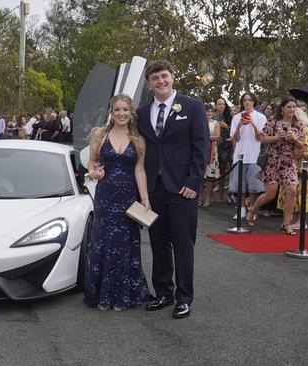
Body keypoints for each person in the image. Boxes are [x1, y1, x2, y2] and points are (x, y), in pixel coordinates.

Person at [136, 60, 209, 319]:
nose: (160, 81)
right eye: (155, 78)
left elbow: (201, 148)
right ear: (149, 83)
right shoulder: (142, 113)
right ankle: (164, 292)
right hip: (155, 190)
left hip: (182, 190)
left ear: (172, 77)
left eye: (164, 76)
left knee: (183, 245)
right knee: (158, 244)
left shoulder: (193, 106)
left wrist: (193, 182)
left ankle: (184, 297)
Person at [84, 93, 151, 311]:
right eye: (117, 110)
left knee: (124, 245)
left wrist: (145, 199)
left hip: (128, 199)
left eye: (125, 110)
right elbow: (92, 163)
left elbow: (139, 170)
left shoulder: (138, 140)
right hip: (105, 198)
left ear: (131, 113)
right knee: (103, 243)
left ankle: (122, 296)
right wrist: (94, 174)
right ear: (111, 113)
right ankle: (102, 295)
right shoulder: (99, 135)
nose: (121, 114)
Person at [246, 96, 307, 235]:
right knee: (270, 194)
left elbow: (303, 146)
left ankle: (286, 224)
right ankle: (252, 210)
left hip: (289, 161)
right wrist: (278, 137)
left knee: (292, 190)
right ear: (283, 108)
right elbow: (262, 138)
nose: (291, 110)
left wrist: (294, 138)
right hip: (273, 160)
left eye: (293, 107)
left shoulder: (299, 124)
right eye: (289, 107)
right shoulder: (273, 122)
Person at [277, 107, 308, 229]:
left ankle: (301, 221)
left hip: (300, 167)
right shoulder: (289, 127)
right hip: (290, 167)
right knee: (293, 194)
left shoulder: (303, 128)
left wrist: (291, 154)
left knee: (301, 194)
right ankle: (294, 219)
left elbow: (305, 148)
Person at [228, 92, 267, 219]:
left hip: (255, 155)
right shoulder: (236, 118)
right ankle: (241, 210)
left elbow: (260, 137)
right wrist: (240, 125)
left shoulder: (261, 117)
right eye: (245, 100)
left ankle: (252, 210)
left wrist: (253, 124)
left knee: (254, 186)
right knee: (240, 186)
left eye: (250, 100)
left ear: (254, 102)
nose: (247, 102)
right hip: (239, 155)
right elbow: (236, 138)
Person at [202, 103, 221, 207]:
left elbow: (217, 136)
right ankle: (198, 197)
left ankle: (208, 198)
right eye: (207, 111)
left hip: (212, 151)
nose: (209, 113)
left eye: (211, 111)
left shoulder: (216, 123)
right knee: (200, 175)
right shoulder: (199, 122)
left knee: (210, 177)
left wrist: (204, 137)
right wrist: (209, 136)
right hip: (200, 150)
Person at [214, 97, 232, 198]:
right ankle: (209, 194)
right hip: (214, 144)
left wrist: (226, 126)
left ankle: (221, 194)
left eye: (223, 104)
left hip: (225, 145)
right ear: (216, 105)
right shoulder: (211, 116)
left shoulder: (229, 117)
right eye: (219, 104)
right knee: (211, 170)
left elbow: (232, 132)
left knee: (223, 169)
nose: (221, 106)